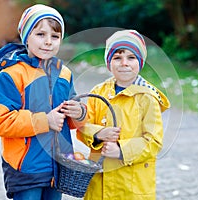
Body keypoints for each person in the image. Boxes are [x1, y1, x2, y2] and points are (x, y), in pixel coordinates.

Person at [0, 4, 86, 200]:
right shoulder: (11, 75)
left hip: (59, 165)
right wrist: (45, 121)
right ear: (26, 37)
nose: (48, 42)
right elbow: (2, 122)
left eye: (55, 36)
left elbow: (71, 120)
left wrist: (79, 113)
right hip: (26, 167)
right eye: (40, 34)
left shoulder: (64, 73)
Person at [76, 30, 170, 199]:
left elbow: (154, 142)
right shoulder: (98, 92)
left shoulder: (146, 97)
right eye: (117, 57)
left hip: (131, 187)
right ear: (109, 63)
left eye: (131, 57)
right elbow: (83, 127)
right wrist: (98, 133)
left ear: (140, 63)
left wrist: (121, 150)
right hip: (99, 185)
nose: (124, 63)